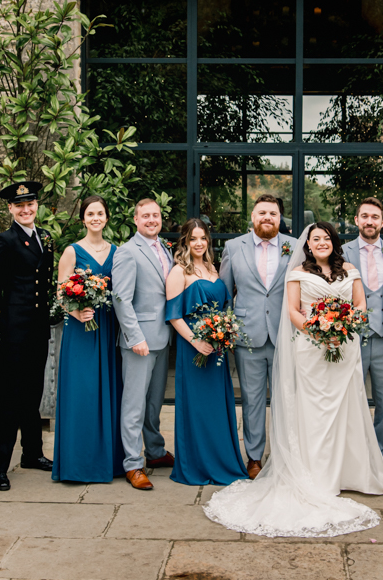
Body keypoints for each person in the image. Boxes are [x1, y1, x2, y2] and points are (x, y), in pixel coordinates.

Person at [204, 222, 383, 538]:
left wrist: (342, 326)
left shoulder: (349, 270)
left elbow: (360, 305)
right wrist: (319, 330)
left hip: (344, 349)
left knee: (347, 408)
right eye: (315, 238)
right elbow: (292, 311)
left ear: (334, 242)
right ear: (308, 244)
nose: (321, 242)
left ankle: (349, 472)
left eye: (326, 238)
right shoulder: (297, 273)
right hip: (311, 349)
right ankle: (316, 474)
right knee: (313, 412)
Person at [0, 182, 55, 491]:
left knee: (33, 393)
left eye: (31, 203)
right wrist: (3, 323)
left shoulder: (45, 238)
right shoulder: (5, 241)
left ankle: (32, 453)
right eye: (19, 205)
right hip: (14, 331)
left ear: (36, 205)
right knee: (8, 400)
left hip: (38, 329)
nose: (26, 209)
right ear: (10, 209)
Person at [165, 219, 249, 486]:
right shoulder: (179, 271)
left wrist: (222, 334)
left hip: (216, 349)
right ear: (185, 242)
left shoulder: (214, 268)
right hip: (194, 350)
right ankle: (197, 464)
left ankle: (221, 459)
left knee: (216, 407)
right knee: (198, 408)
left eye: (203, 238)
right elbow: (174, 316)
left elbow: (225, 307)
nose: (199, 243)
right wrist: (196, 342)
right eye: (193, 239)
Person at [218, 194, 295, 479]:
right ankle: (254, 458)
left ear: (279, 218)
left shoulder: (295, 246)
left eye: (273, 213)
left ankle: (284, 455)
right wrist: (224, 331)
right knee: (251, 400)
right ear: (252, 216)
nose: (267, 217)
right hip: (247, 335)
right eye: (262, 212)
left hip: (284, 334)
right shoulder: (233, 247)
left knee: (285, 399)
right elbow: (225, 293)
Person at [52, 196, 125, 483]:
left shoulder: (117, 252)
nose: (96, 218)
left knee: (109, 391)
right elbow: (60, 292)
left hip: (107, 327)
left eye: (100, 213)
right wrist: (75, 310)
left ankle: (110, 460)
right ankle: (77, 463)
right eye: (90, 213)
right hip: (80, 329)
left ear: (107, 218)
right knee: (81, 392)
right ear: (84, 218)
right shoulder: (72, 251)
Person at [112, 198, 175, 490]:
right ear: (135, 219)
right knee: (134, 404)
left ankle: (156, 451)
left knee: (154, 403)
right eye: (146, 216)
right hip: (140, 341)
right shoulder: (127, 252)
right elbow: (121, 298)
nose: (152, 220)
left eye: (156, 215)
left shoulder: (165, 249)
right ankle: (133, 464)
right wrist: (134, 336)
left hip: (164, 336)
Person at [342, 197, 383, 458]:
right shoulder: (342, 252)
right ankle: (353, 457)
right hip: (351, 337)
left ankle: (379, 455)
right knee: (350, 400)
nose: (370, 221)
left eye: (375, 217)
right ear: (356, 220)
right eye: (365, 216)